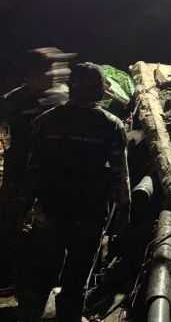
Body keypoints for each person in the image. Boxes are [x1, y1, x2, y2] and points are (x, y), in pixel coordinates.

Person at [16, 62, 130, 322]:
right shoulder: (111, 125)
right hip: (90, 213)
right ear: (100, 90)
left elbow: (33, 170)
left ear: (70, 87)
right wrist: (124, 210)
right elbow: (120, 174)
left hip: (51, 210)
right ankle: (68, 315)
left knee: (44, 269)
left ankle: (34, 312)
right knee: (77, 274)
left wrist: (23, 209)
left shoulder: (45, 122)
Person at [0, 48, 73, 287]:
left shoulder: (63, 98)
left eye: (54, 70)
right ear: (30, 75)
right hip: (19, 170)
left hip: (51, 173)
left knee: (50, 226)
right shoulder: (12, 101)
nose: (54, 75)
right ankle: (10, 276)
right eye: (47, 71)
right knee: (12, 220)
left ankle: (45, 278)